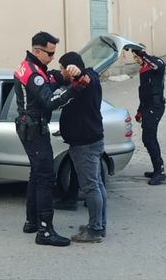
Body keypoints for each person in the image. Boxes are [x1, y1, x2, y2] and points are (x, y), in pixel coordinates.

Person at [14, 31, 86, 247]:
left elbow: (47, 80)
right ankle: (45, 231)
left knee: (36, 175)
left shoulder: (31, 68)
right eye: (51, 53)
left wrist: (61, 76)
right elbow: (49, 101)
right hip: (34, 129)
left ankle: (31, 221)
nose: (53, 57)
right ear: (38, 51)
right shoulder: (33, 73)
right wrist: (74, 87)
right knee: (45, 178)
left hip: (30, 126)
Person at [57, 51, 106, 243]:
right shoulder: (90, 77)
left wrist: (76, 74)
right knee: (97, 185)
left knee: (91, 187)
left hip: (85, 142)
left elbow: (84, 79)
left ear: (70, 68)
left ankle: (94, 230)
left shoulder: (86, 80)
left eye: (62, 68)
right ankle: (99, 225)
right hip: (91, 139)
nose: (61, 71)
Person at [133, 49, 166, 185]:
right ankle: (157, 168)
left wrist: (143, 54)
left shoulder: (156, 63)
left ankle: (160, 171)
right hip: (147, 107)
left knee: (149, 138)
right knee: (149, 138)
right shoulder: (144, 69)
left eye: (136, 56)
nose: (135, 60)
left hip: (155, 107)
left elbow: (157, 65)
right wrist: (140, 110)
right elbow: (144, 92)